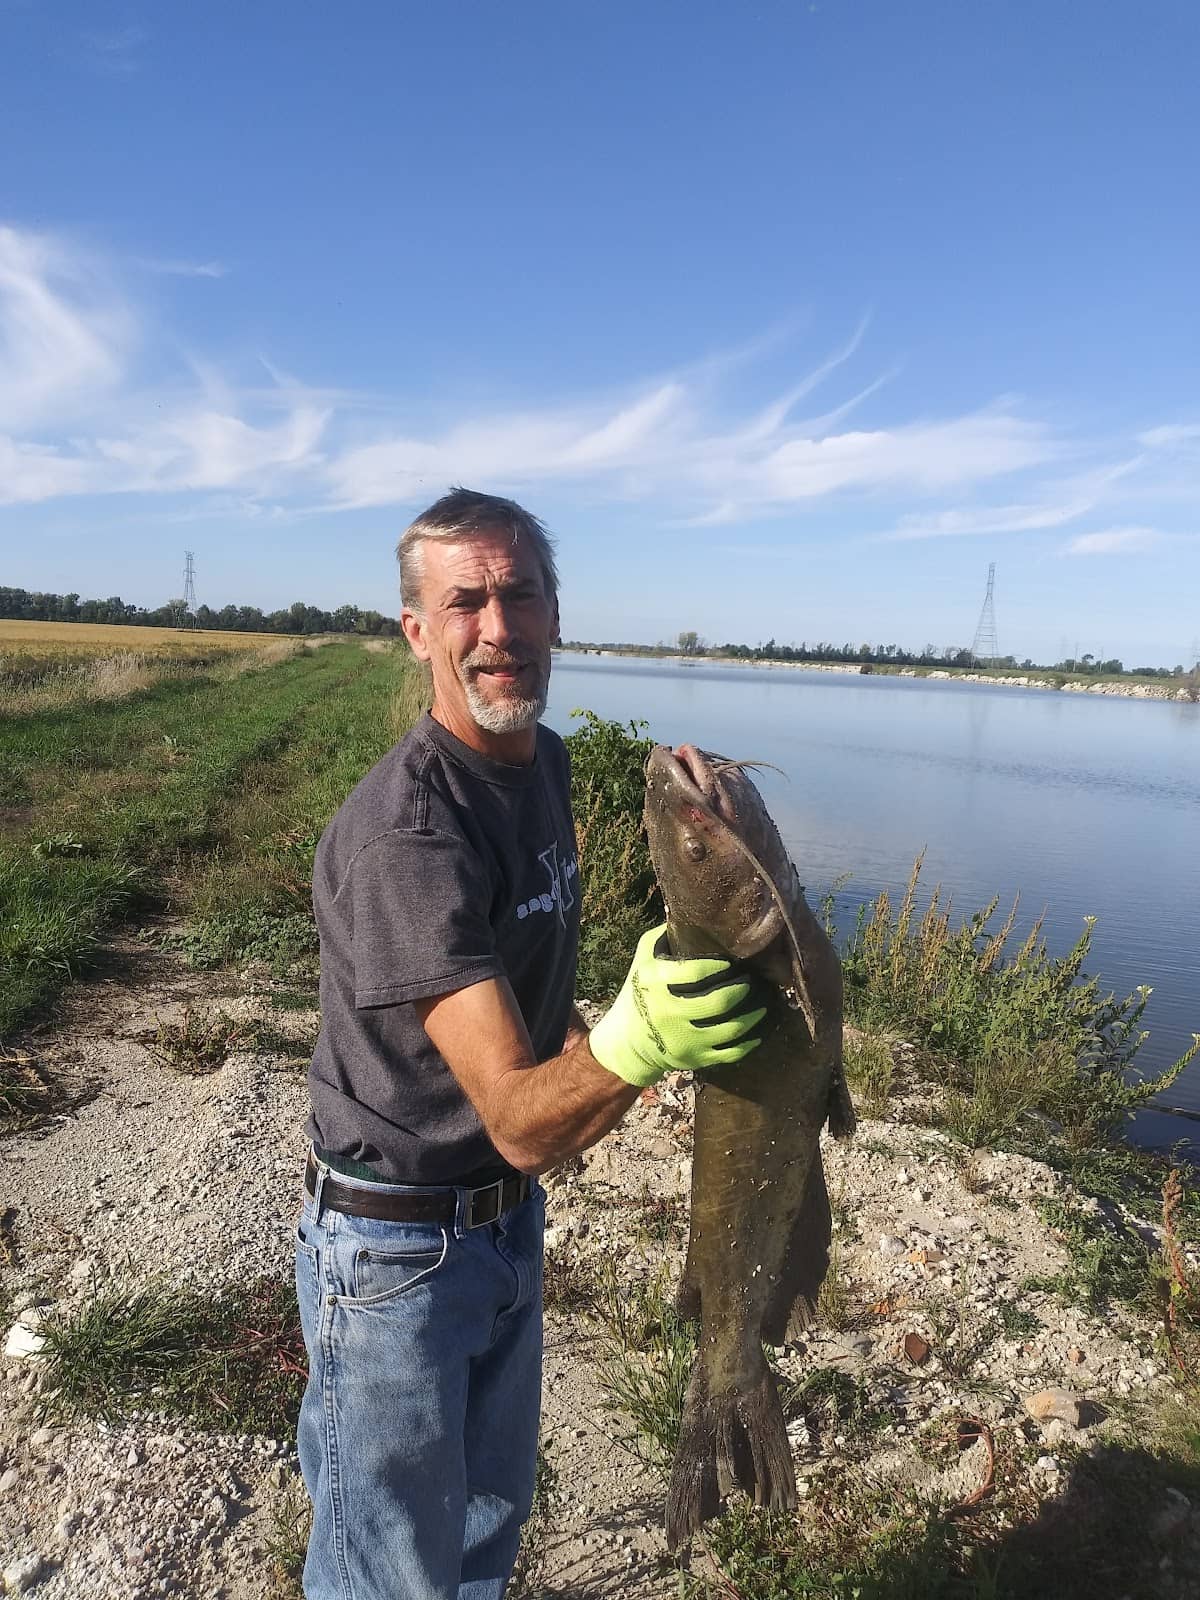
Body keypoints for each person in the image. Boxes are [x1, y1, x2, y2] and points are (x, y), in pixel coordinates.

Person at [295, 488, 767, 1600]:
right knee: (388, 1571)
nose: (497, 627)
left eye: (520, 594)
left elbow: (524, 971)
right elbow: (515, 1119)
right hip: (395, 1252)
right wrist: (637, 1045)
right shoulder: (409, 833)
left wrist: (607, 1018)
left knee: (486, 1528)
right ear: (419, 631)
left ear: (558, 613)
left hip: (505, 1230)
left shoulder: (540, 764)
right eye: (464, 602)